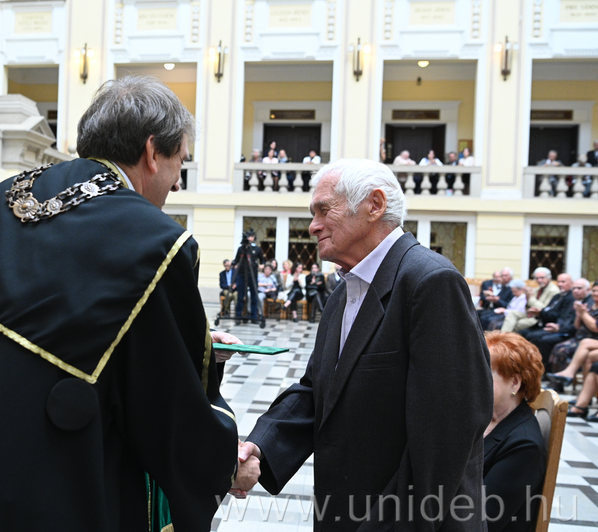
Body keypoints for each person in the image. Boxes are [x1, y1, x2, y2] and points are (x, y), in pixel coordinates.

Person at [0, 76, 243, 532]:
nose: (176, 182)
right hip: (24, 490)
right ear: (152, 152)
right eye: (180, 162)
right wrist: (226, 462)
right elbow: (167, 410)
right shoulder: (154, 242)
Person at [235, 159, 492, 531]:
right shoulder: (345, 291)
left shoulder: (430, 282)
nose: (313, 225)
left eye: (324, 210)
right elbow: (317, 391)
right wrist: (259, 447)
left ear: (375, 205)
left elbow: (446, 437)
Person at [482, 331, 546, 532]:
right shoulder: (485, 419)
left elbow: (483, 520)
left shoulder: (524, 445)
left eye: (484, 373)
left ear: (515, 383)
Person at [546, 280, 598, 394]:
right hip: (580, 337)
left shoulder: (588, 305)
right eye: (594, 291)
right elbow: (577, 326)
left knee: (573, 347)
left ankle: (569, 375)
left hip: (593, 339)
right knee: (558, 347)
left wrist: (584, 314)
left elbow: (595, 328)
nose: (595, 293)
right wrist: (579, 315)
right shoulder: (590, 305)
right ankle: (557, 382)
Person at [520, 273, 576, 371]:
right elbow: (548, 310)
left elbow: (559, 316)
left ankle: (541, 369)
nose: (560, 284)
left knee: (536, 337)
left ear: (571, 283)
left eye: (563, 282)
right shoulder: (557, 296)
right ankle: (524, 365)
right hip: (546, 322)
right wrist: (540, 313)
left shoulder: (571, 298)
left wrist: (541, 313)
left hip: (558, 327)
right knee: (521, 333)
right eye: (558, 282)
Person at [501, 267, 559, 333]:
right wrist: (527, 296)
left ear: (549, 278)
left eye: (542, 278)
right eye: (537, 278)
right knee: (512, 313)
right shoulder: (537, 289)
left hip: (539, 317)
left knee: (516, 324)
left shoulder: (553, 290)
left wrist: (530, 297)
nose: (539, 280)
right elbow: (528, 305)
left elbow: (544, 308)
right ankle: (502, 336)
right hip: (529, 313)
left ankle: (504, 336)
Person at [233, 229, 265, 323]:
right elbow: (236, 260)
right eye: (248, 236)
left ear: (254, 237)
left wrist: (262, 265)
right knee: (240, 296)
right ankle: (238, 316)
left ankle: (254, 316)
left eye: (251, 236)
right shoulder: (241, 249)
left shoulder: (257, 249)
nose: (250, 238)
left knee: (254, 296)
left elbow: (262, 260)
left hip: (253, 275)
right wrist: (233, 263)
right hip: (242, 274)